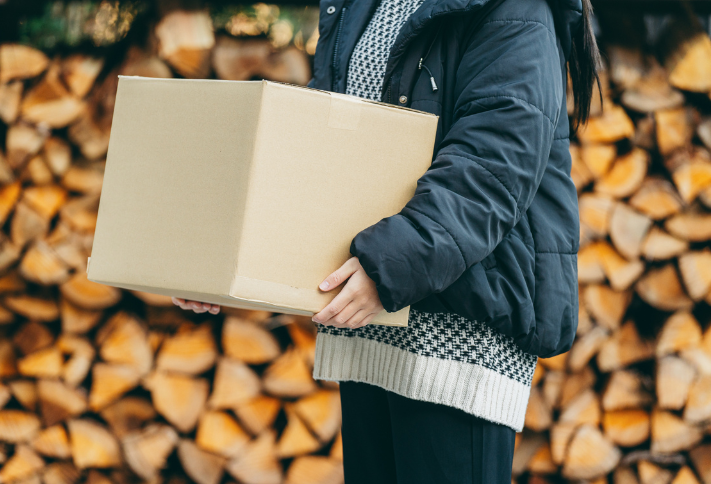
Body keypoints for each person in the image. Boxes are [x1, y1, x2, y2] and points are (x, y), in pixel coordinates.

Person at [173, 0, 600, 481]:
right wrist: (225, 258)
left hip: (456, 341)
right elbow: (321, 138)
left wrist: (387, 268)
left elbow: (493, 165)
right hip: (372, 327)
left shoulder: (516, 10)